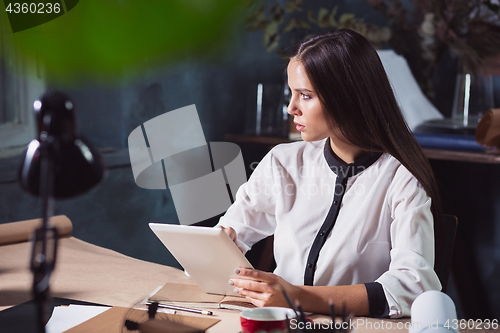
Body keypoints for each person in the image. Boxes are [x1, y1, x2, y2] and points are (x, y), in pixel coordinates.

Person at [216, 28, 442, 318]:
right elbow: (229, 234)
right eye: (292, 93)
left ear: (347, 97)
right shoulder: (282, 161)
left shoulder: (402, 178)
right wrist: (221, 245)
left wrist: (298, 297)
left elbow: (414, 286)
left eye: (305, 96)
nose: (291, 108)